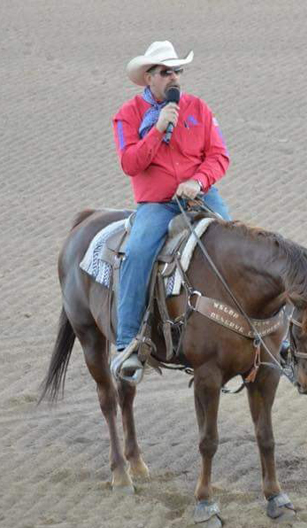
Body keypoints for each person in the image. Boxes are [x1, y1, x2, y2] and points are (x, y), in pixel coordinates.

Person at [109, 40, 232, 384]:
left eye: (177, 71)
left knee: (238, 245)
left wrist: (198, 179)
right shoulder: (128, 116)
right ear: (148, 78)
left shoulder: (198, 109)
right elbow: (130, 163)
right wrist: (160, 127)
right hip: (157, 205)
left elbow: (219, 156)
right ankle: (127, 343)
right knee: (137, 252)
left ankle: (268, 335)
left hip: (200, 196)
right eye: (165, 72)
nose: (174, 77)